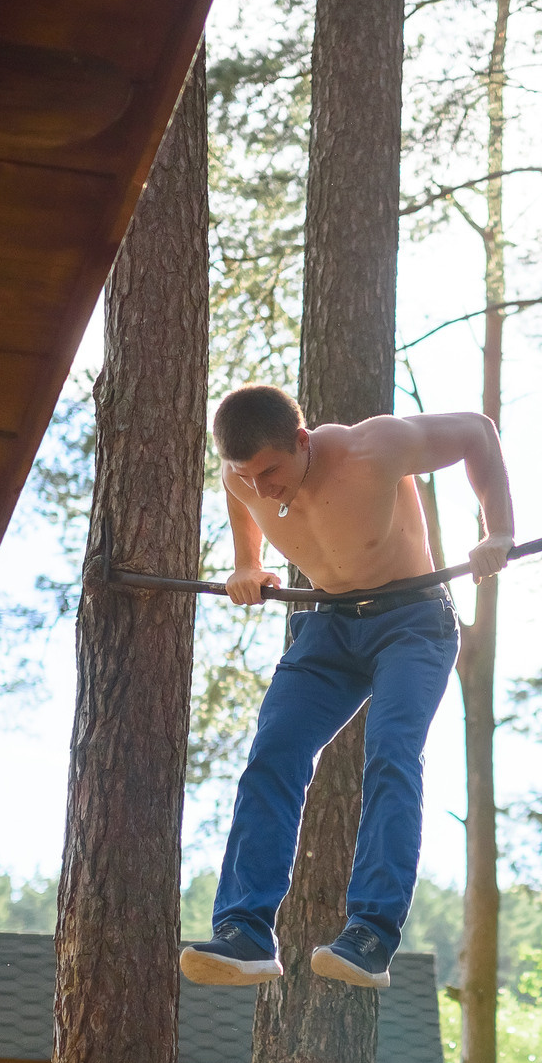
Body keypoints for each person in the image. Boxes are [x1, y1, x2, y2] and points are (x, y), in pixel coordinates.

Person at [178, 383, 513, 991]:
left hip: (412, 622)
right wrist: (247, 565)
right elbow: (241, 505)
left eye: (271, 472)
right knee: (272, 755)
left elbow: (476, 432)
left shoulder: (374, 447)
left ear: (302, 441)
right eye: (246, 475)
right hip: (327, 628)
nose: (261, 488)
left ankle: (371, 934)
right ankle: (245, 930)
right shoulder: (243, 481)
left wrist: (499, 532)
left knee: (390, 754)